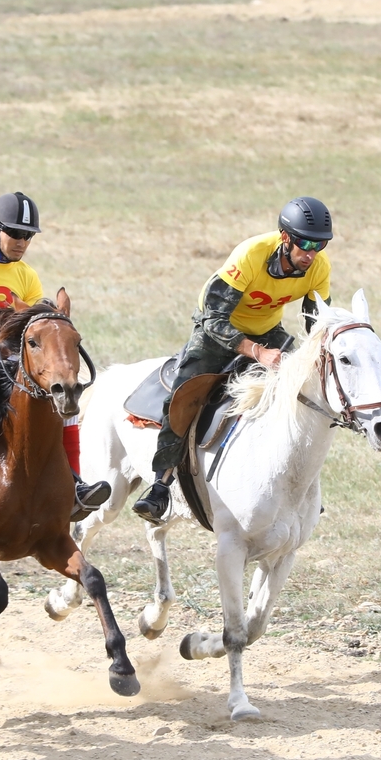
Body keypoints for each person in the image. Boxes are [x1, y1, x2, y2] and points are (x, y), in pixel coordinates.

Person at [132, 197, 334, 523]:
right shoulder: (251, 255)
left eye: (320, 245)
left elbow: (317, 326)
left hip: (266, 330)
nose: (311, 253)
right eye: (305, 243)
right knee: (185, 395)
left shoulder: (319, 268)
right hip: (215, 329)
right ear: (285, 238)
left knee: (303, 396)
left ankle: (302, 488)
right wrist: (257, 352)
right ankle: (160, 485)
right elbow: (213, 318)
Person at [0, 192, 111, 522]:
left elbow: (35, 324)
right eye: (15, 233)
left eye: (28, 235)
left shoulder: (27, 275)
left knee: (61, 400)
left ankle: (74, 484)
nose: (22, 242)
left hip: (9, 352)